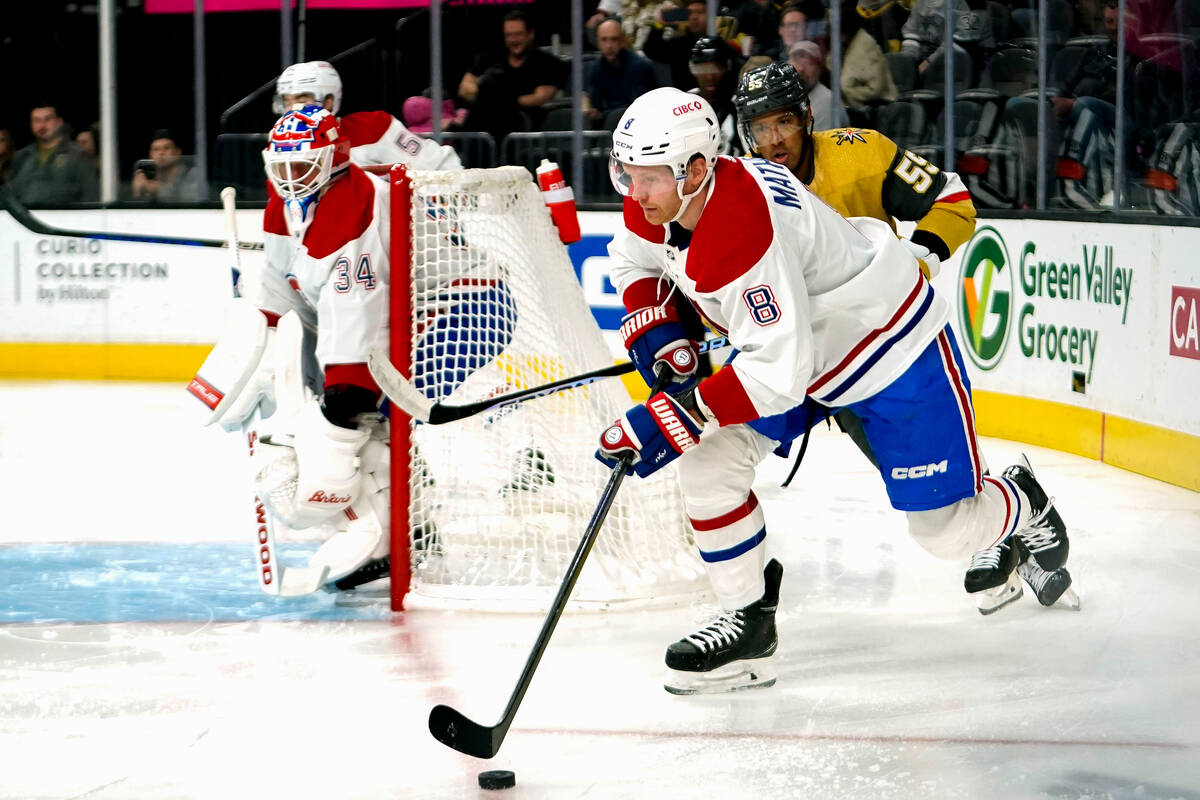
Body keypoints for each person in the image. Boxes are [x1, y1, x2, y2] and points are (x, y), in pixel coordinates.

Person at [597, 87, 1072, 694]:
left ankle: (1023, 499)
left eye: (647, 179)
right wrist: (656, 328)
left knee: (945, 531)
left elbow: (775, 375)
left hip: (886, 350)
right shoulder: (660, 200)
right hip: (803, 348)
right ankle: (748, 626)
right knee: (711, 465)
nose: (633, 194)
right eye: (624, 173)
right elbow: (634, 259)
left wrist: (668, 416)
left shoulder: (740, 227)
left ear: (695, 170)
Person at [732, 60, 1073, 614]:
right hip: (809, 361)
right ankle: (1002, 527)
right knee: (724, 449)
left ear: (806, 116)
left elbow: (954, 200)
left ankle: (1005, 521)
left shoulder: (857, 153)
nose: (774, 140)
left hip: (886, 351)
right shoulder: (741, 190)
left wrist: (919, 257)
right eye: (761, 128)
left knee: (926, 483)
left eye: (783, 124)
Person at [190, 106, 514, 592]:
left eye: (301, 166)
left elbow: (355, 321)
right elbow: (282, 287)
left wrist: (339, 415)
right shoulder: (286, 202)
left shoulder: (353, 206)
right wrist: (257, 350)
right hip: (408, 308)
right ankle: (411, 530)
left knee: (366, 413)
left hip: (471, 305)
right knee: (369, 419)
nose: (289, 177)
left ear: (334, 157)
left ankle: (393, 537)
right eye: (280, 166)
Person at [275, 60, 461, 171]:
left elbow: (441, 165)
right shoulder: (282, 144)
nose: (293, 109)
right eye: (287, 101)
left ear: (328, 102)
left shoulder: (373, 128)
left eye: (302, 98)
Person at [457, 10, 568, 140]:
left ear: (530, 34)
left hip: (522, 129)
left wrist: (502, 98)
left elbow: (540, 97)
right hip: (483, 125)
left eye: (518, 34)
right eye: (509, 35)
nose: (513, 40)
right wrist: (489, 95)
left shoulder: (546, 62)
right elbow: (464, 88)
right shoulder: (492, 56)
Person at [7, 104, 97, 205]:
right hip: (23, 218)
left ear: (59, 122)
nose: (42, 125)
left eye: (47, 119)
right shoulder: (21, 157)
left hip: (63, 219)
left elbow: (91, 196)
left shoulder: (78, 156)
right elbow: (10, 195)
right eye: (37, 120)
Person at [586, 17, 659, 126]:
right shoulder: (596, 67)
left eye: (614, 39)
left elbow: (634, 108)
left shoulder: (639, 66)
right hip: (605, 124)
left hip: (635, 125)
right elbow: (595, 104)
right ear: (598, 43)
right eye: (604, 40)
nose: (609, 46)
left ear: (622, 41)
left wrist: (602, 115)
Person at [687, 35, 743, 154]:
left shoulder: (739, 106)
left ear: (727, 68)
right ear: (693, 70)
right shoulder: (685, 103)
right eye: (703, 69)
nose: (709, 76)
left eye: (715, 68)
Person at [642, 0, 709, 91]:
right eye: (690, 13)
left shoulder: (721, 40)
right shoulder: (680, 44)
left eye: (700, 12)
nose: (694, 17)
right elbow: (651, 50)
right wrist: (659, 24)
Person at [788, 41, 850, 130]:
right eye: (797, 60)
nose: (801, 68)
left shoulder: (827, 102)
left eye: (809, 63)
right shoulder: (789, 95)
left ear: (819, 70)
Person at [131, 129, 204, 202]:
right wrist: (138, 193)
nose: (161, 153)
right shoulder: (149, 179)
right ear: (151, 154)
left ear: (177, 152)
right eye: (156, 149)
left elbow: (191, 200)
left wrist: (158, 190)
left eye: (166, 148)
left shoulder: (192, 174)